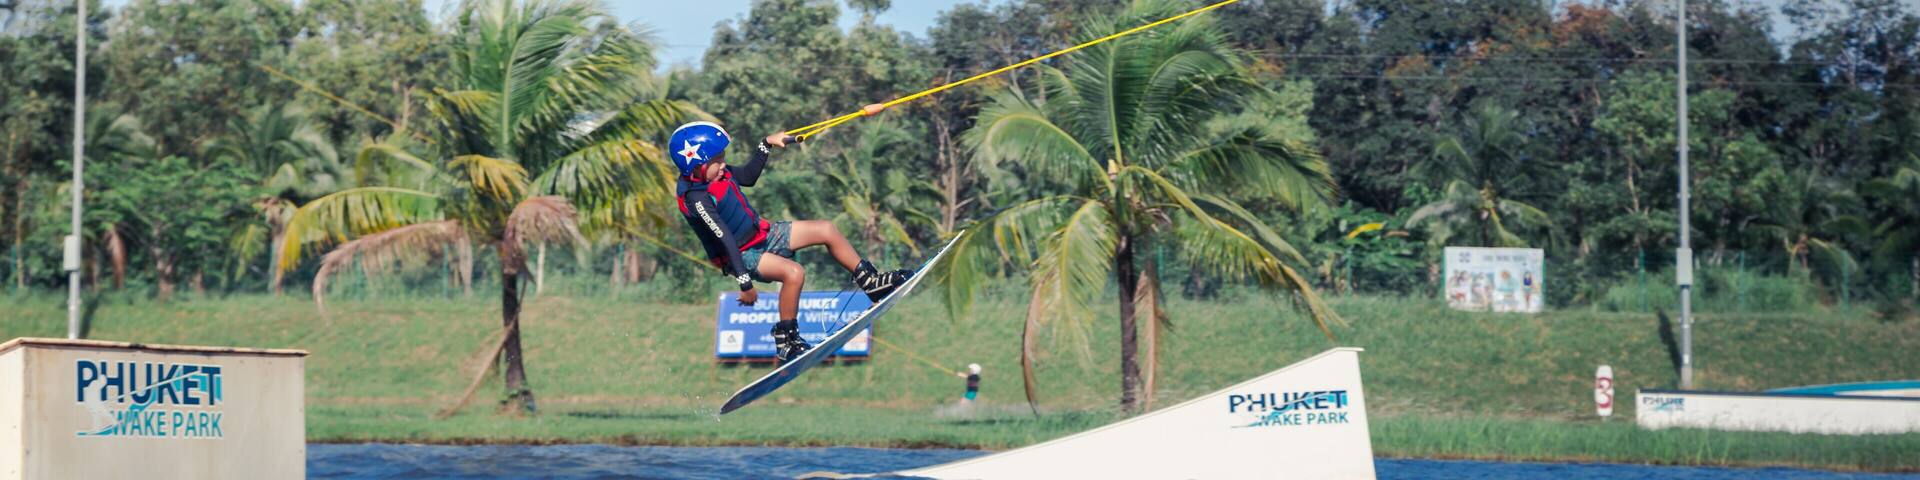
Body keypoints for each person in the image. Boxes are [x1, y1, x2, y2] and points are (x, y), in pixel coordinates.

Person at [670, 109, 914, 366]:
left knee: (826, 229)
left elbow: (748, 177)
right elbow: (725, 238)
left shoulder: (719, 173)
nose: (723, 165)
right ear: (695, 167)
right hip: (741, 254)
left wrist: (765, 145)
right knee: (793, 273)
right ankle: (786, 339)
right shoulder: (696, 199)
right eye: (717, 161)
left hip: (763, 234)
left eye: (722, 158)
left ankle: (871, 282)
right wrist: (745, 283)